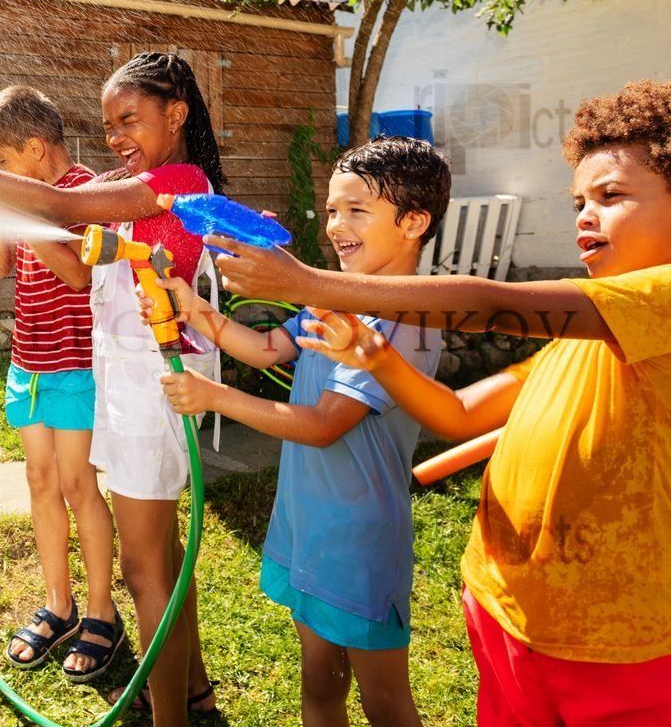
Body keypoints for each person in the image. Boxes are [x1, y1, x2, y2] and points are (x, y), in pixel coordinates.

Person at [215, 80, 671, 726]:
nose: (585, 216)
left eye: (612, 195)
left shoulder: (658, 300)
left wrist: (308, 282)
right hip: (506, 610)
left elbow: (489, 306)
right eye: (578, 201)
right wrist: (374, 356)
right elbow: (455, 415)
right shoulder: (575, 344)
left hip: (613, 644)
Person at [0, 52, 223, 725]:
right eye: (108, 126)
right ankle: (195, 698)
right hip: (137, 388)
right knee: (161, 560)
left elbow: (59, 203)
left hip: (153, 392)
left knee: (146, 571)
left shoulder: (176, 180)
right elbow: (46, 208)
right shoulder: (133, 183)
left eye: (129, 119)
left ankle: (173, 720)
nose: (116, 137)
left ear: (177, 114)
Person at [150, 136, 449, 726]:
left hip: (359, 542)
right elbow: (264, 348)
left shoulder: (406, 320)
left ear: (414, 222)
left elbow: (321, 426)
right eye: (333, 209)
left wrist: (215, 397)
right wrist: (188, 304)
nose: (337, 225)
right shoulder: (327, 299)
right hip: (306, 523)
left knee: (385, 702)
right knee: (319, 685)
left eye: (357, 210)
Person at [0, 85, 115, 680]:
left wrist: (27, 215)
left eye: (5, 161)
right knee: (39, 478)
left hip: (76, 362)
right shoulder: (20, 193)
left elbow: (80, 276)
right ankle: (59, 603)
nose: (2, 171)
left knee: (79, 484)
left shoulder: (86, 192)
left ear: (34, 148)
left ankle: (103, 613)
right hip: (28, 361)